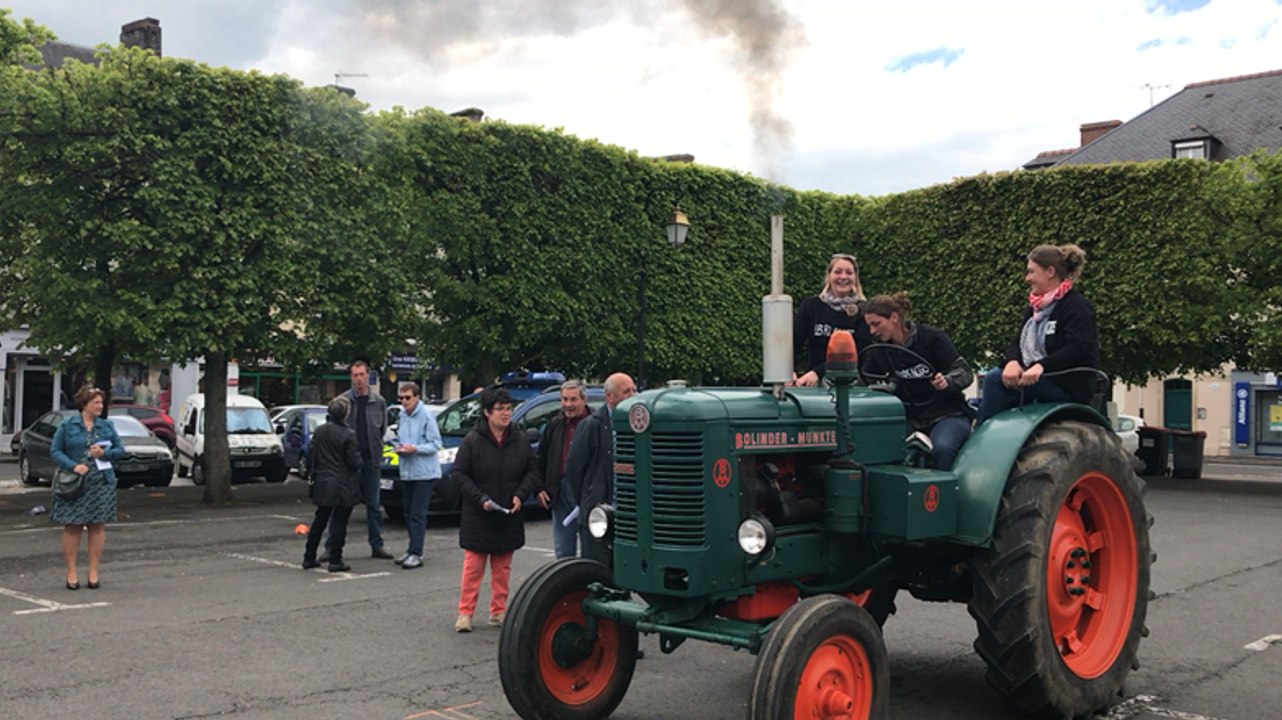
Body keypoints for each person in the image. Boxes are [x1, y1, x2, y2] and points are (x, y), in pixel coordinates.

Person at [977, 244, 1100, 424]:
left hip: (1066, 385)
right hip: (1039, 379)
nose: (1027, 278)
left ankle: (982, 440)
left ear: (1050, 272)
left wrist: (1042, 366)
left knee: (994, 380)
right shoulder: (1035, 309)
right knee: (1000, 375)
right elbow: (1017, 342)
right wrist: (1012, 361)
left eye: (1031, 272)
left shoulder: (1077, 307)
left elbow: (1078, 348)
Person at [450, 388, 539, 632]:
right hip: (479, 514)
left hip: (508, 515)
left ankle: (498, 611)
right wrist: (479, 499)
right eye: (500, 409)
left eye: (508, 408)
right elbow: (459, 474)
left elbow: (532, 471)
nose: (505, 413)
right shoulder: (473, 440)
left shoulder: (519, 439)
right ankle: (465, 613)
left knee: (502, 567)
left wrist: (521, 495)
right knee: (473, 567)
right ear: (487, 412)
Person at [861, 292, 974, 470]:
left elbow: (964, 371)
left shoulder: (932, 338)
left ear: (894, 318)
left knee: (943, 448)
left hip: (946, 415)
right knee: (878, 447)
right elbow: (866, 378)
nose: (872, 331)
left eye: (876, 324)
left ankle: (944, 494)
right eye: (869, 326)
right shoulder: (878, 350)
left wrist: (947, 381)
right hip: (908, 418)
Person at [50, 385, 124, 590]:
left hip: (101, 482)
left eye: (101, 402)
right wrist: (73, 466)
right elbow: (55, 451)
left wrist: (104, 454)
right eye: (96, 402)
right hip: (74, 483)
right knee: (72, 526)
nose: (100, 406)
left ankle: (93, 572)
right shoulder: (67, 425)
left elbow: (120, 450)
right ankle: (71, 572)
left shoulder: (107, 426)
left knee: (97, 526)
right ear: (85, 404)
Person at [320, 361, 391, 562]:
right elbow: (333, 431)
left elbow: (381, 430)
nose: (358, 379)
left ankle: (377, 545)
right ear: (351, 377)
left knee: (374, 506)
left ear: (368, 376)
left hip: (371, 461)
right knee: (340, 506)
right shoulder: (342, 402)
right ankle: (331, 547)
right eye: (355, 375)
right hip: (347, 464)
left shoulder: (379, 402)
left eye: (361, 374)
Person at [564, 372, 636, 567]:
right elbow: (573, 468)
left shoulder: (637, 424)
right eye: (626, 391)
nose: (632, 396)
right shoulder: (592, 426)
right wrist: (589, 498)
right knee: (598, 571)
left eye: (634, 390)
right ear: (610, 396)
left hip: (628, 515)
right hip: (599, 516)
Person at [793, 253, 874, 387]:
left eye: (849, 272)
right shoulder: (811, 306)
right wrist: (790, 371)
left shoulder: (864, 310)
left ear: (855, 278)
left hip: (852, 384)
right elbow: (794, 342)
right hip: (815, 384)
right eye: (838, 272)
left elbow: (861, 353)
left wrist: (818, 372)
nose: (843, 277)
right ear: (829, 276)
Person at [302, 396, 363, 573]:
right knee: (340, 523)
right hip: (343, 483)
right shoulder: (349, 435)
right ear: (346, 413)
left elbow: (313, 454)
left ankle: (309, 556)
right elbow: (354, 462)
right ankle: (336, 559)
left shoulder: (320, 432)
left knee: (320, 520)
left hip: (323, 480)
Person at [535, 380, 591, 559]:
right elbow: (540, 458)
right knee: (563, 552)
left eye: (573, 400)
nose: (568, 405)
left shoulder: (596, 424)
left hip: (588, 494)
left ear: (584, 400)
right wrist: (540, 488)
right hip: (560, 492)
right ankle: (569, 587)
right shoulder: (555, 425)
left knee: (592, 549)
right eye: (564, 399)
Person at [392, 382, 442, 570]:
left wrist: (416, 449)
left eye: (408, 398)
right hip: (407, 471)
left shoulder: (427, 417)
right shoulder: (402, 416)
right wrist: (398, 446)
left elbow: (436, 443)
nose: (404, 401)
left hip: (424, 472)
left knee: (417, 514)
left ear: (417, 398)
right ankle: (411, 548)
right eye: (401, 398)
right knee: (407, 512)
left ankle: (416, 552)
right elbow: (401, 438)